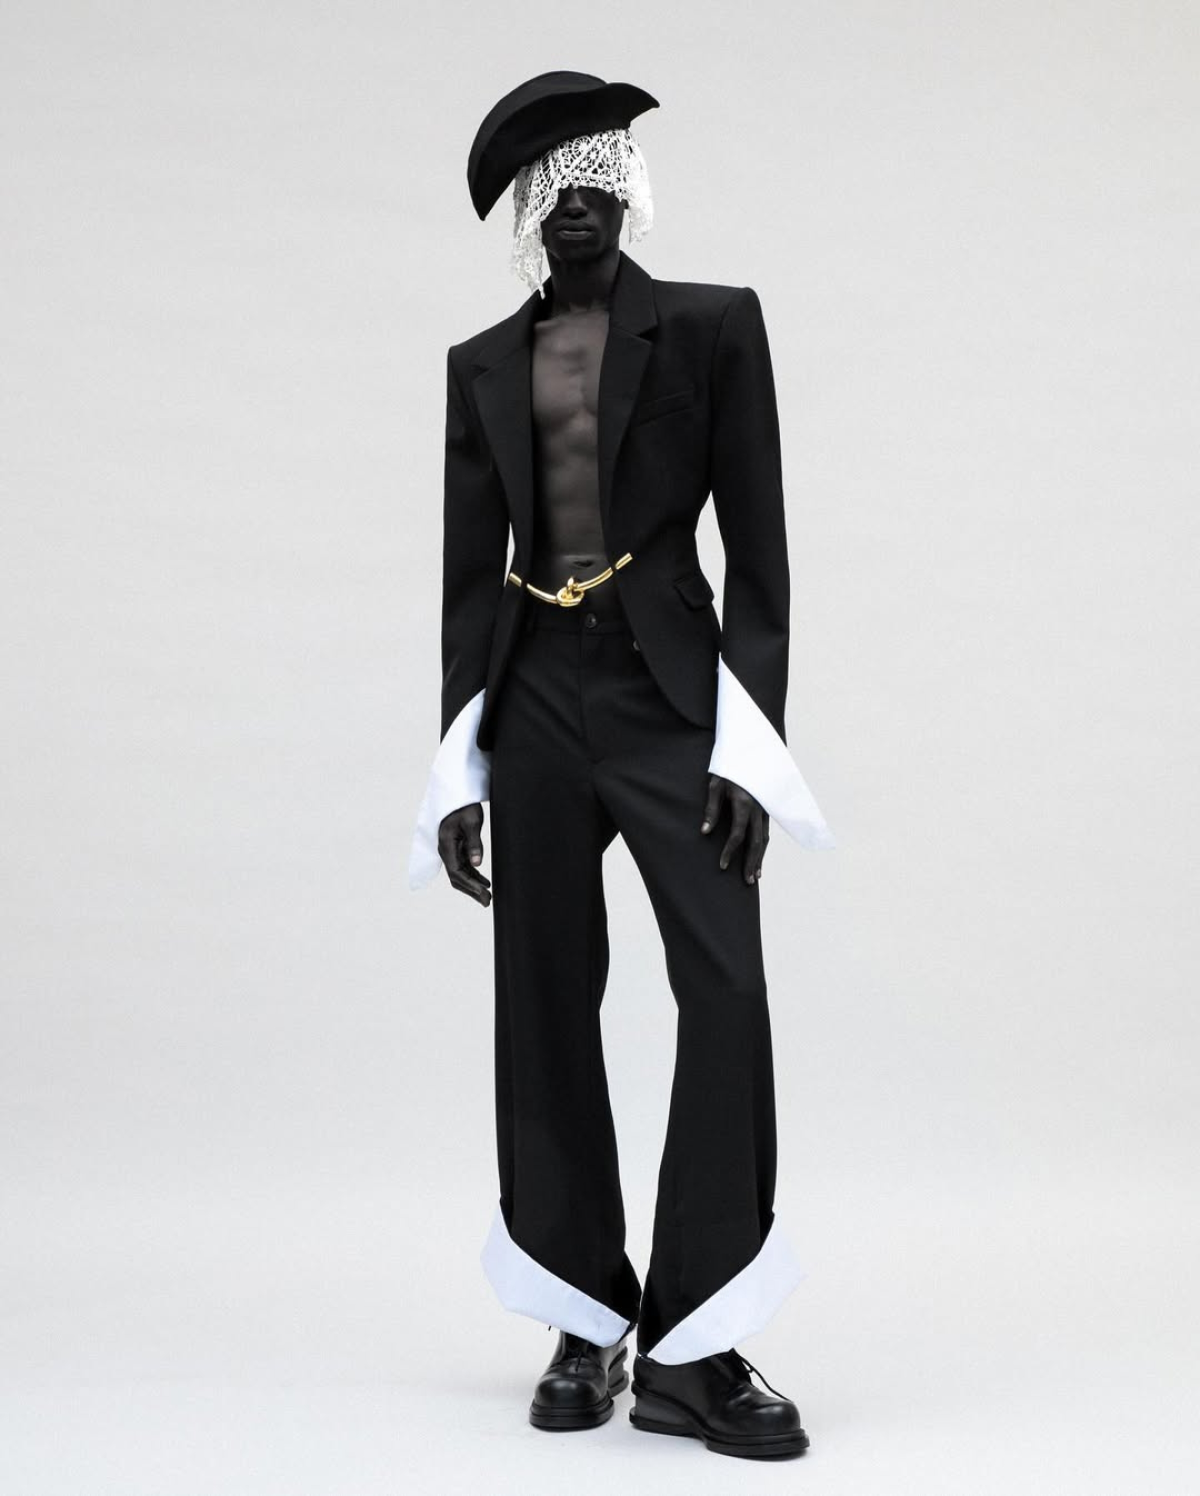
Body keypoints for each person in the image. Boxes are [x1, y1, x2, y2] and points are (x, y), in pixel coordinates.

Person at [408, 71, 835, 1460]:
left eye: (595, 176)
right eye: (552, 189)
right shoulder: (482, 364)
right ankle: (583, 1314)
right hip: (533, 691)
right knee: (541, 998)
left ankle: (696, 1345)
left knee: (725, 985)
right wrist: (459, 764)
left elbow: (761, 556)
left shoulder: (711, 327)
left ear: (630, 189)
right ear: (527, 217)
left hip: (669, 699)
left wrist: (751, 746)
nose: (575, 204)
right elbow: (466, 579)